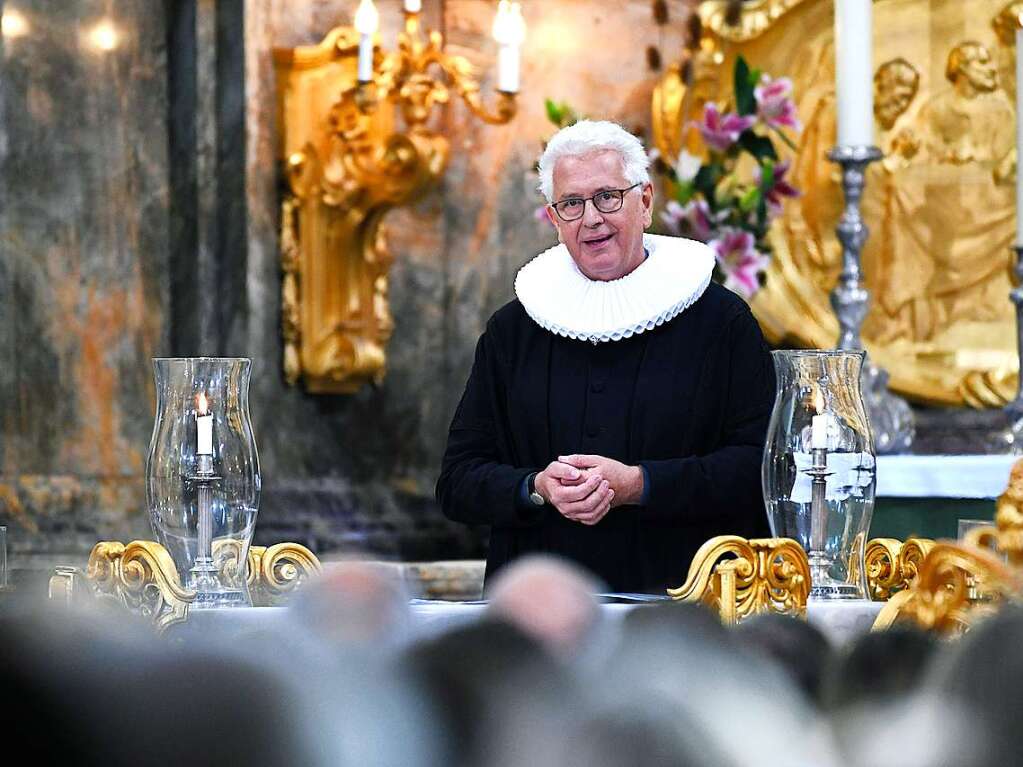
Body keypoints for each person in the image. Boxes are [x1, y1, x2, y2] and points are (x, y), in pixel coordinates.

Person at [436, 120, 774, 593]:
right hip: (539, 615)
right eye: (571, 204)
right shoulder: (512, 331)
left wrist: (640, 484)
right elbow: (457, 481)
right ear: (554, 221)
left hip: (683, 609)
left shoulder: (721, 322)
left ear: (646, 202)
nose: (590, 217)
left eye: (608, 196)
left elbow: (763, 468)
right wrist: (536, 487)